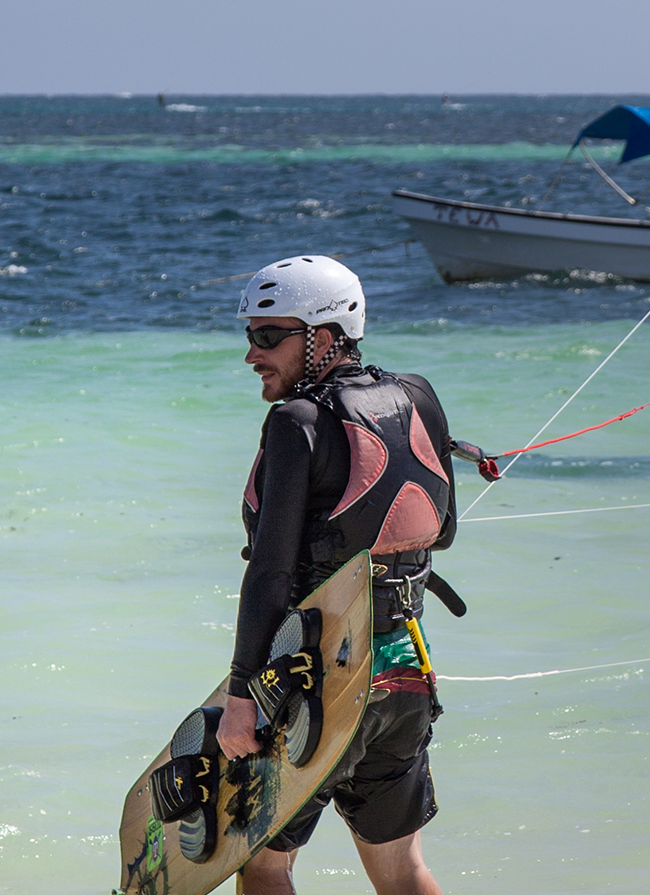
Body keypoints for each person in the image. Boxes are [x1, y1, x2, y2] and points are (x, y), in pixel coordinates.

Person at [228, 255, 456, 895]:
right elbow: (445, 530)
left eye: (269, 337)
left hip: (314, 682)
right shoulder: (418, 396)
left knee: (263, 864)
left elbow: (271, 577)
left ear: (325, 337)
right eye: (250, 335)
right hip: (405, 672)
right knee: (401, 868)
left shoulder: (295, 423)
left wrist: (242, 700)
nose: (252, 353)